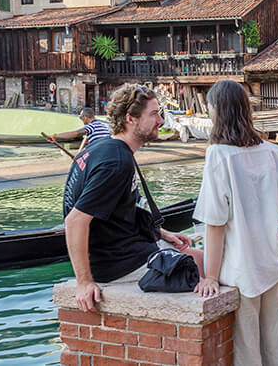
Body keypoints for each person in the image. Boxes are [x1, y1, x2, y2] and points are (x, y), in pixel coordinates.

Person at [193, 80, 278, 365]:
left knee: (248, 349)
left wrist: (210, 277)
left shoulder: (219, 155)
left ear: (218, 111)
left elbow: (215, 223)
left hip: (240, 268)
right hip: (271, 260)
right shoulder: (271, 151)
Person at [63, 84, 203, 313]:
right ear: (131, 118)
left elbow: (124, 208)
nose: (161, 121)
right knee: (208, 269)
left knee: (199, 256)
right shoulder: (116, 162)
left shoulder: (103, 148)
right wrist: (84, 282)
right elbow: (75, 221)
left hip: (125, 247)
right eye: (154, 114)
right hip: (118, 263)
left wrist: (161, 233)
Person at [46, 107, 110, 147]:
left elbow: (74, 133)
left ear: (84, 117)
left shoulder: (91, 126)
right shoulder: (103, 126)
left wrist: (54, 136)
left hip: (101, 149)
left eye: (80, 117)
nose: (81, 119)